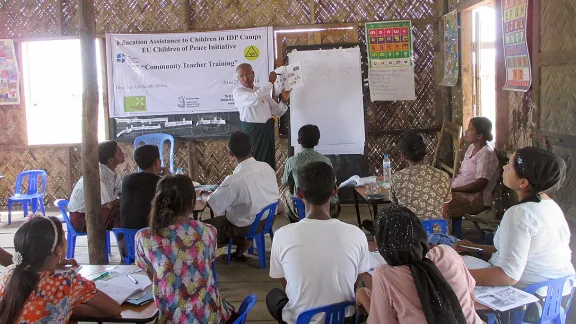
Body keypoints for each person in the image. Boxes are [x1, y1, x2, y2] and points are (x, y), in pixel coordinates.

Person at [454, 147, 575, 289]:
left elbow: (507, 276)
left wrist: (457, 276)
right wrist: (476, 248)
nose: (504, 167)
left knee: (450, 269)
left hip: (530, 298)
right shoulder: (550, 206)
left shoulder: (519, 213)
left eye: (510, 167)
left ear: (523, 182)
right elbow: (518, 252)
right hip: (560, 293)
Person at [267, 162, 370, 324]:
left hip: (301, 319)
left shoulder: (282, 235)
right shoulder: (357, 234)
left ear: (300, 193)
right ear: (335, 191)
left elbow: (285, 284)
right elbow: (354, 283)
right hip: (344, 318)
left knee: (273, 296)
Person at [356, 204, 482, 324]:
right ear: (421, 233)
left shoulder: (384, 275)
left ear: (378, 243)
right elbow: (470, 296)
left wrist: (363, 294)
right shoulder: (447, 253)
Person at [135, 175, 235, 323]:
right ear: (192, 202)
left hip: (171, 318)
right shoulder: (208, 231)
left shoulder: (144, 237)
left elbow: (150, 273)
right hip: (210, 315)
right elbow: (209, 261)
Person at [0, 216, 121, 323]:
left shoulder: (9, 274)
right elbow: (114, 309)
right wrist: (68, 307)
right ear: (58, 250)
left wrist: (55, 263)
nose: (66, 241)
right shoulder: (67, 283)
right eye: (64, 237)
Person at [203, 131, 279, 260]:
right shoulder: (266, 167)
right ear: (252, 148)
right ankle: (241, 246)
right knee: (236, 211)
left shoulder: (234, 180)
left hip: (246, 227)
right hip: (267, 221)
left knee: (205, 227)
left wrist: (204, 195)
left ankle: (239, 242)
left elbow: (212, 203)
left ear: (230, 153)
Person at [233, 63, 291, 170]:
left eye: (248, 74)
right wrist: (270, 83)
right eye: (241, 76)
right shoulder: (238, 92)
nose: (245, 78)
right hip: (253, 134)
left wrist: (284, 100)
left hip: (267, 134)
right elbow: (253, 98)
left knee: (267, 165)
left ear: (253, 74)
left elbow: (278, 112)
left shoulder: (262, 91)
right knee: (254, 164)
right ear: (238, 78)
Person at [281, 124, 341, 222]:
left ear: (298, 141)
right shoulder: (326, 160)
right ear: (317, 142)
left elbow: (285, 182)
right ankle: (330, 220)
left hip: (302, 203)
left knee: (288, 192)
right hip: (327, 205)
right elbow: (332, 182)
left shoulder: (292, 161)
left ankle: (294, 223)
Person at [390, 131, 451, 219]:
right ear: (425, 153)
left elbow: (396, 204)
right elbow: (444, 210)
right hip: (437, 230)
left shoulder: (397, 177)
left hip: (409, 231)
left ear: (403, 156)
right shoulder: (443, 176)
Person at [447, 117, 499, 219]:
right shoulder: (472, 147)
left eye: (470, 129)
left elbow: (479, 185)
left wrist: (453, 189)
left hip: (475, 200)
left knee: (436, 205)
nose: (466, 132)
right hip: (460, 194)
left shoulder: (486, 154)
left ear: (480, 136)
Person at [68, 140, 125, 232]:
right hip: (81, 218)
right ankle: (125, 245)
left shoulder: (110, 171)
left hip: (92, 212)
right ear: (110, 160)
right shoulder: (99, 175)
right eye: (119, 152)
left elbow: (122, 192)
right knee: (119, 213)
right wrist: (128, 201)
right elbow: (110, 204)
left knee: (125, 209)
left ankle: (127, 242)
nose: (123, 153)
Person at [120, 145, 169, 230]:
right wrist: (168, 176)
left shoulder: (127, 179)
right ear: (157, 162)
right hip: (148, 237)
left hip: (126, 238)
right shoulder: (161, 183)